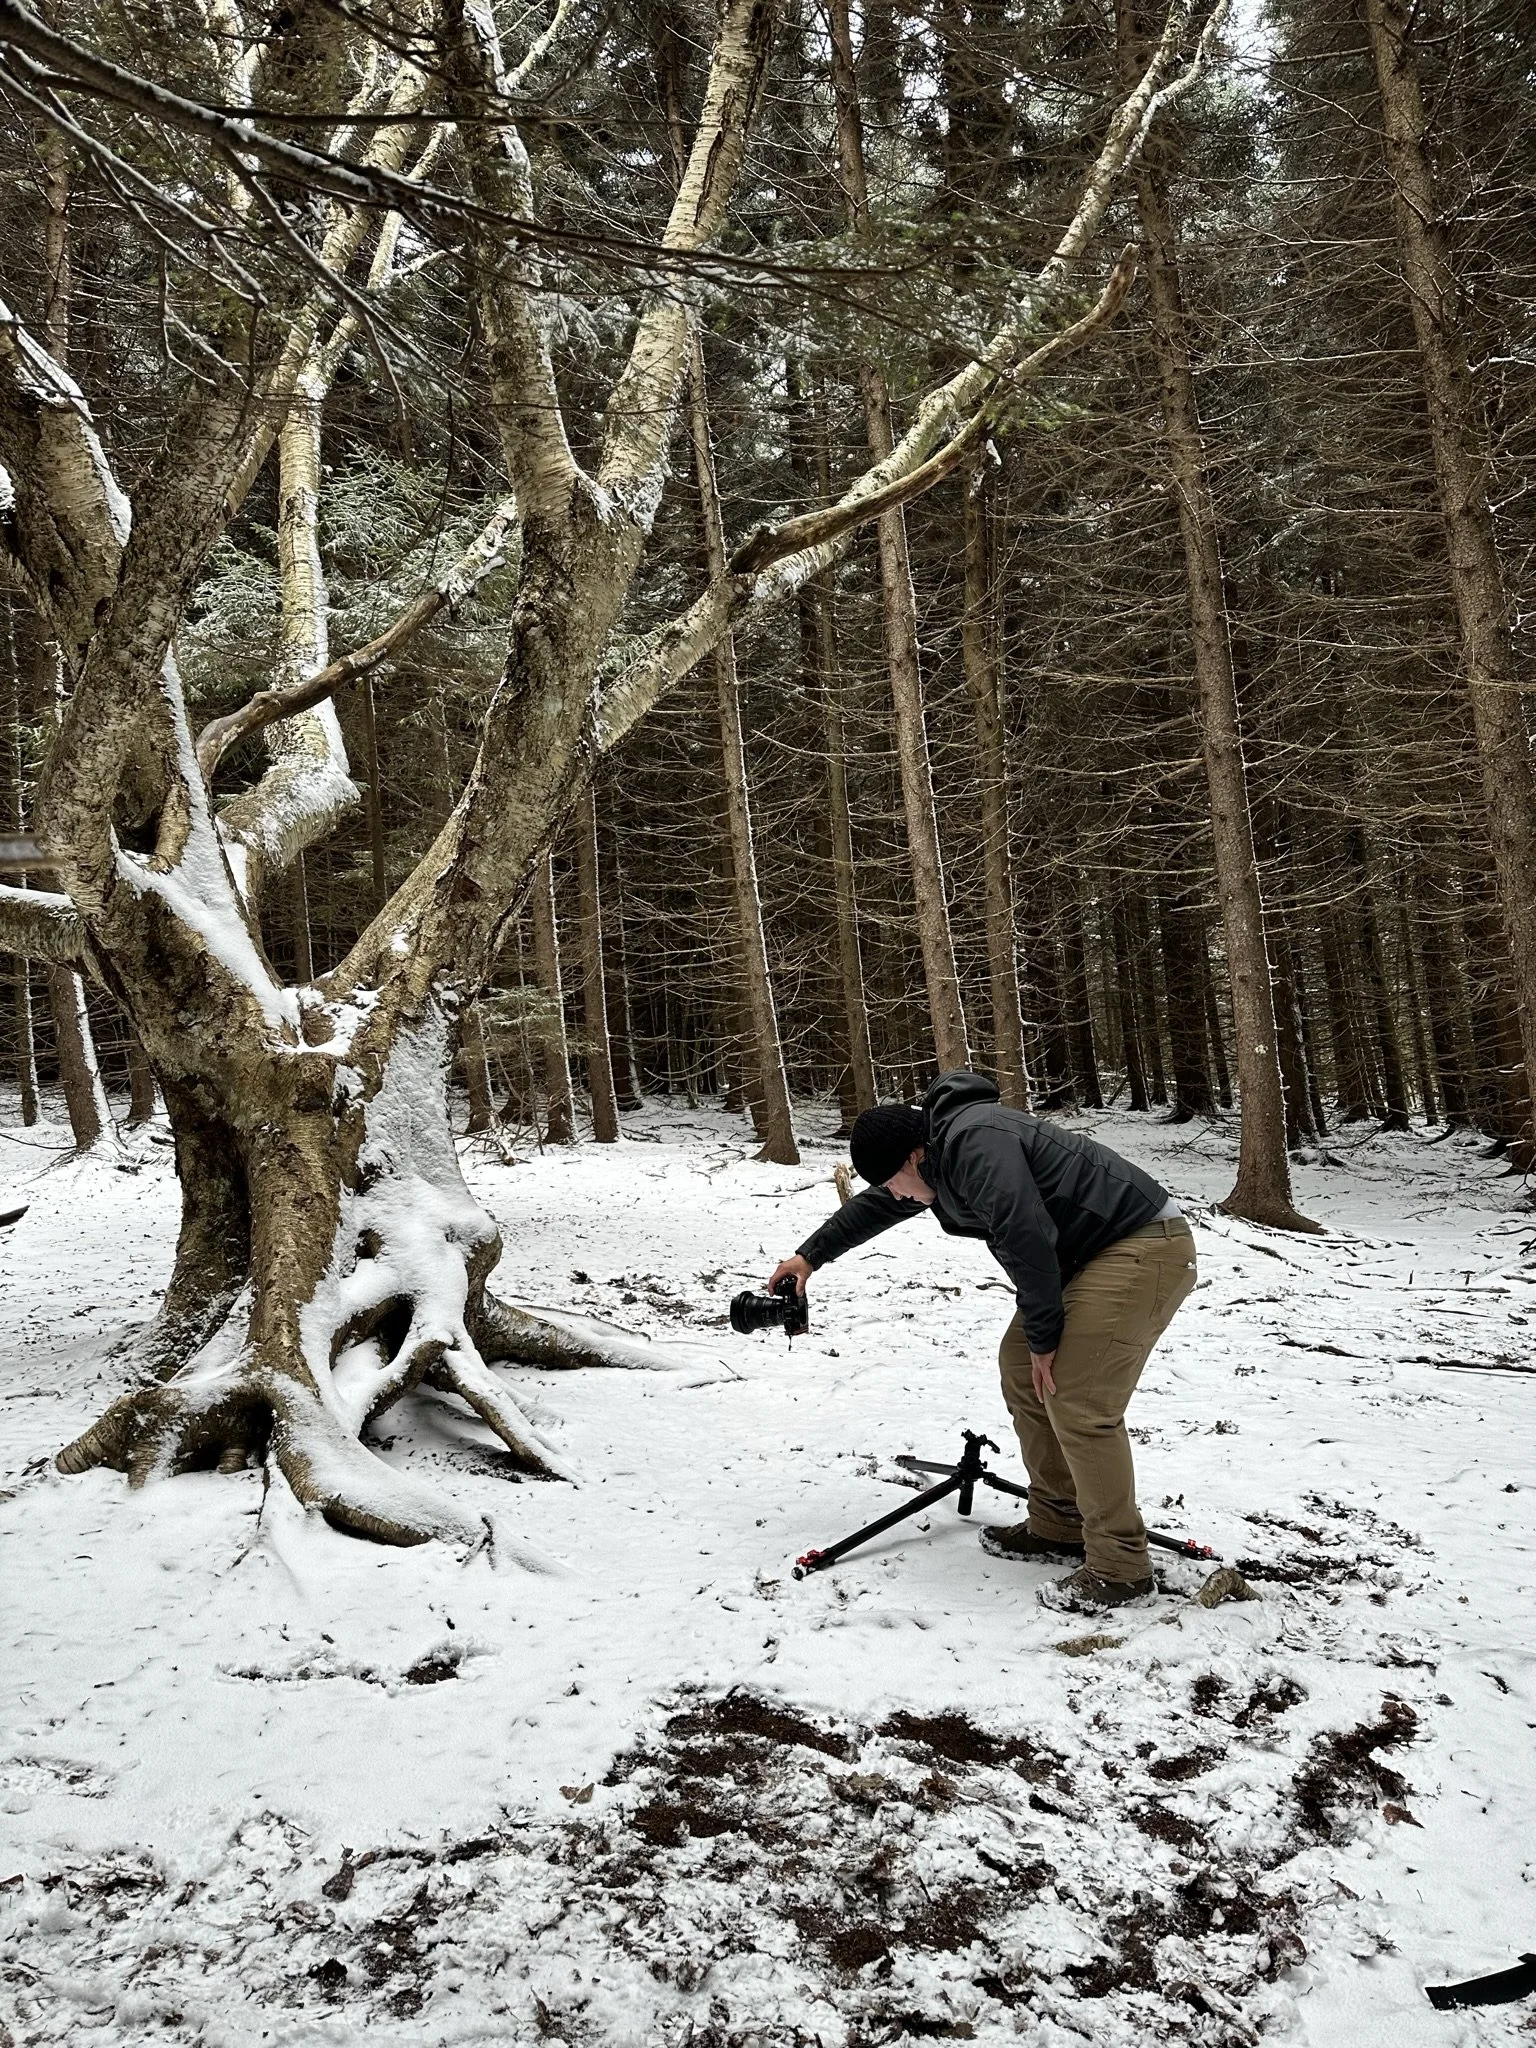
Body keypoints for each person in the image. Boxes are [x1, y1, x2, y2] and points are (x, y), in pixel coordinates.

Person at [769, 1071, 1197, 1614]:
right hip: (1089, 1258)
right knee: (1021, 1368)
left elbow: (1025, 1232)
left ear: (912, 1157)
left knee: (1078, 1398)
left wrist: (1047, 1337)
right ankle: (1059, 1522)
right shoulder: (937, 1153)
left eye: (894, 1181)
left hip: (1141, 1246)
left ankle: (1120, 1569)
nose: (896, 1195)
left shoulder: (976, 1140)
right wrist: (810, 1256)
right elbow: (880, 1206)